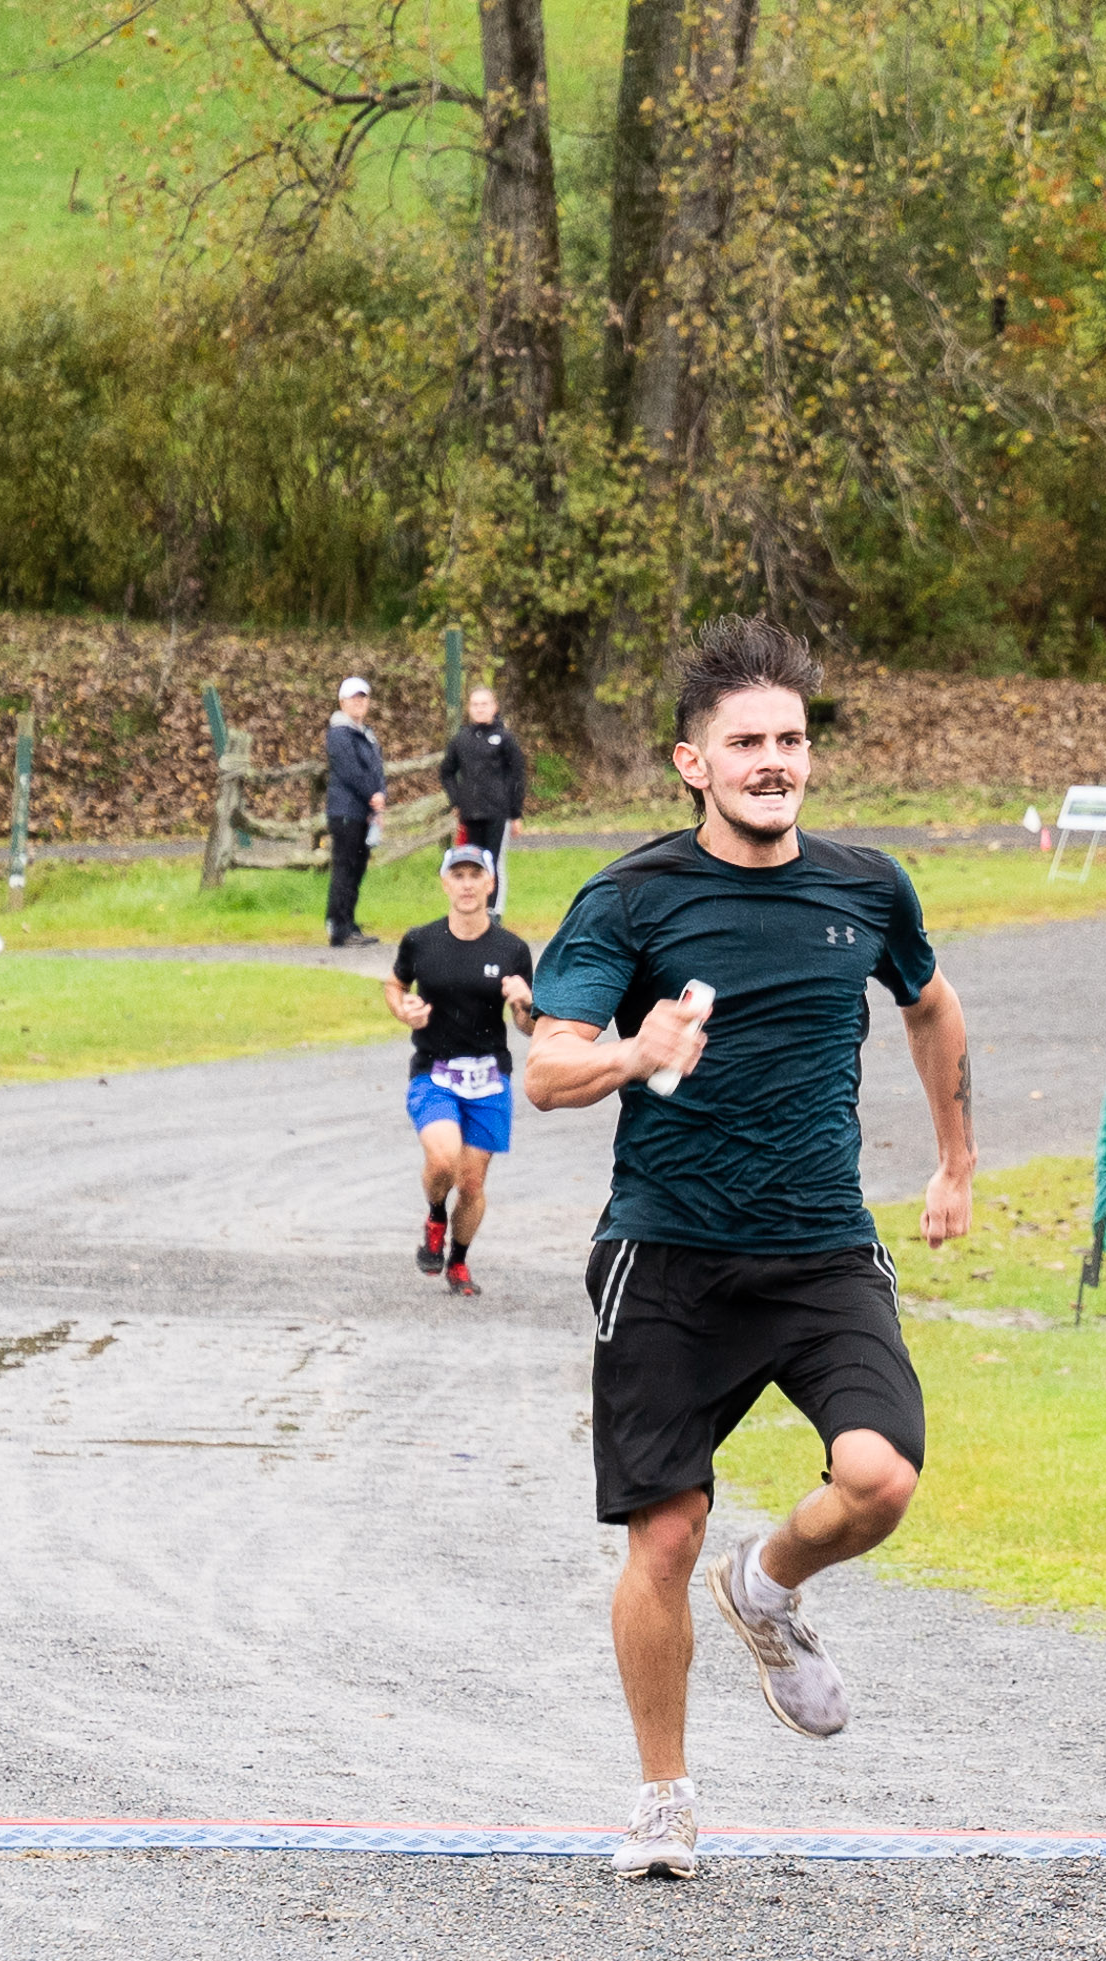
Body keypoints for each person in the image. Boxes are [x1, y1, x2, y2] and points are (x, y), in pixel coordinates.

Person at [524, 615, 976, 1884]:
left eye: (790, 739)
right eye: (745, 743)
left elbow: (930, 1005)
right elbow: (548, 1067)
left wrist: (955, 1158)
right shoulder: (631, 897)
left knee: (879, 1479)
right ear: (693, 763)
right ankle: (663, 1800)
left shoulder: (866, 886)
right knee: (663, 1535)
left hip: (819, 1247)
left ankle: (768, 1585)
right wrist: (635, 1051)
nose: (773, 760)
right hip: (667, 1255)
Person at [385, 845, 536, 1297]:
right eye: (458, 875)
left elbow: (529, 1026)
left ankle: (458, 1261)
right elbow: (395, 984)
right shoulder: (421, 941)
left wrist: (524, 1002)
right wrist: (403, 1009)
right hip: (434, 1072)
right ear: (445, 883)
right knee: (443, 1159)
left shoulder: (512, 950)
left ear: (490, 883)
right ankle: (435, 1217)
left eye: (475, 875)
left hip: (489, 1077)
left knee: (471, 1183)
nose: (467, 885)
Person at [437, 687, 529, 910]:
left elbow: (517, 775)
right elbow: (446, 771)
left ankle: (494, 911)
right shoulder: (462, 739)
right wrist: (457, 800)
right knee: (473, 864)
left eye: (484, 704)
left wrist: (515, 813)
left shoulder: (505, 738)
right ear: (469, 709)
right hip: (470, 813)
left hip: (497, 812)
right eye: (475, 705)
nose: (480, 709)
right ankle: (474, 911)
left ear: (494, 707)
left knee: (493, 863)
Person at [322, 676, 388, 948]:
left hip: (364, 812)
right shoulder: (339, 734)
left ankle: (348, 921)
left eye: (363, 698)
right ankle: (339, 927)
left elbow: (376, 769)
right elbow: (351, 771)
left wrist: (381, 794)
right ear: (342, 702)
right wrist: (372, 795)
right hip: (346, 811)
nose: (359, 702)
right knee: (345, 868)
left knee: (357, 869)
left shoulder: (366, 734)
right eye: (353, 698)